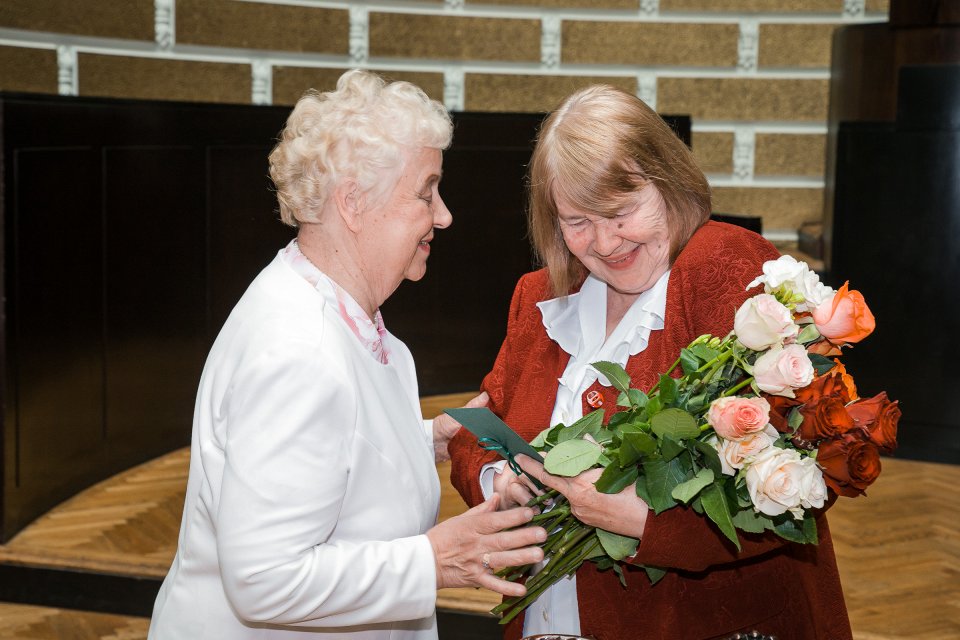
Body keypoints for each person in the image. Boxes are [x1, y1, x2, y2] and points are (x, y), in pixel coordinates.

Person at [148, 70, 545, 640]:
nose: (443, 215)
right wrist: (432, 560)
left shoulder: (328, 305)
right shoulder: (299, 351)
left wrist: (424, 437)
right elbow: (263, 578)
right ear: (354, 202)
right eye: (426, 191)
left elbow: (332, 448)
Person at [445, 85, 852, 640]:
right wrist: (501, 482)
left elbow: (798, 471)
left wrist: (648, 522)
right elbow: (480, 424)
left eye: (620, 212)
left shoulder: (725, 268)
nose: (605, 241)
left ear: (668, 182)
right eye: (576, 221)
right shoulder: (539, 296)